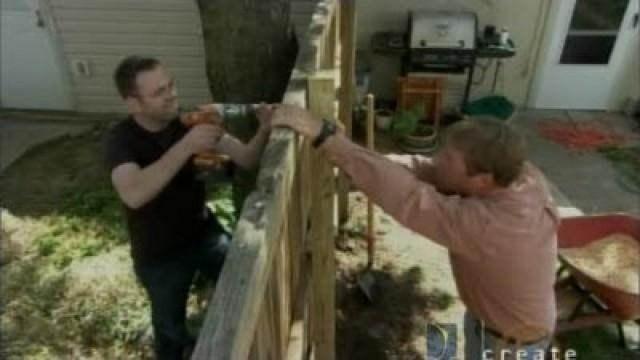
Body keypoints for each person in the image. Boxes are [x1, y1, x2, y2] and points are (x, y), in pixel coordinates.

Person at [271, 105, 558, 360]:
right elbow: (426, 171)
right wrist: (354, 159)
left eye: (448, 159)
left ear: (482, 180)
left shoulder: (493, 227)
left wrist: (326, 137)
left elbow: (411, 198)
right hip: (492, 320)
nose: (437, 160)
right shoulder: (519, 175)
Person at [105, 55, 272, 360]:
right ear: (133, 104)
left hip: (203, 233)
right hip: (159, 254)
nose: (172, 95)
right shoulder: (121, 141)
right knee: (170, 328)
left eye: (171, 85)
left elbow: (247, 158)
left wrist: (263, 129)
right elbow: (134, 193)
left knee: (243, 285)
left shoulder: (190, 122)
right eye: (159, 92)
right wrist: (186, 147)